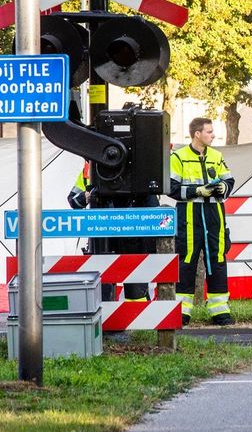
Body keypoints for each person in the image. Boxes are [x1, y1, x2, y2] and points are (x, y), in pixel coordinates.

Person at [169, 117, 236, 326]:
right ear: (197, 134)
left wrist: (223, 188)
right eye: (209, 131)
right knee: (186, 261)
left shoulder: (216, 155)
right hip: (189, 215)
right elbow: (171, 188)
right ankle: (182, 311)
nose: (212, 135)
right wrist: (197, 191)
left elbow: (229, 180)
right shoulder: (178, 157)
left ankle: (220, 311)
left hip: (214, 213)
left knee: (217, 259)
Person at [68, 161, 156, 302]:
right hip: (102, 239)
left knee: (135, 288)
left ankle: (137, 321)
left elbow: (152, 206)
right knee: (104, 288)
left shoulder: (136, 169)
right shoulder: (90, 169)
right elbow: (73, 200)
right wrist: (86, 196)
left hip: (132, 237)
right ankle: (106, 320)